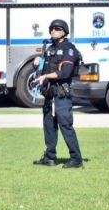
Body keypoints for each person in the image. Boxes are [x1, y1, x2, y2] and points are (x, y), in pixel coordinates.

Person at [32, 19, 83, 168]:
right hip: (49, 94)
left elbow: (65, 72)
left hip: (62, 95)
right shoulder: (48, 49)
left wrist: (46, 76)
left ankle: (76, 159)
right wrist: (38, 65)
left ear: (64, 32)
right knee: (49, 126)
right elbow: (44, 68)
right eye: (51, 29)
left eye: (57, 28)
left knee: (66, 126)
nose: (53, 31)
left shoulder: (69, 49)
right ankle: (50, 157)